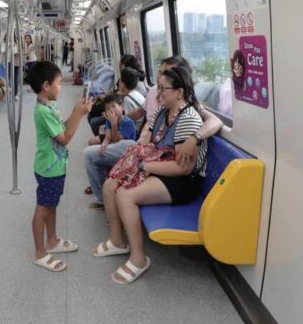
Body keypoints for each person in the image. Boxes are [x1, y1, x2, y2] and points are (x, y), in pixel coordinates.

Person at [92, 66, 208, 285]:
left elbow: (184, 168)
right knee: (109, 185)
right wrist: (141, 157)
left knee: (125, 195)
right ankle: (117, 241)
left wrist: (144, 165)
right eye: (158, 87)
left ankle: (138, 259)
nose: (158, 92)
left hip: (181, 181)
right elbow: (148, 139)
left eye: (163, 88)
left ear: (179, 93)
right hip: (157, 166)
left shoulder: (188, 119)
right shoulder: (163, 112)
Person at [83, 56, 222, 198]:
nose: (161, 77)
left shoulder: (186, 104)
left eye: (167, 73)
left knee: (93, 155)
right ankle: (105, 187)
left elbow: (215, 121)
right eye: (160, 72)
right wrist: (118, 121)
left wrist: (194, 138)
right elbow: (139, 112)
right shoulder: (154, 91)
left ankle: (105, 191)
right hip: (143, 145)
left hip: (154, 151)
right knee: (111, 175)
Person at [28, 61, 92, 272]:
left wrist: (75, 110)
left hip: (55, 167)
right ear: (46, 86)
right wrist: (80, 114)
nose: (61, 86)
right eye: (58, 83)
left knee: (51, 204)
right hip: (48, 168)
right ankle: (39, 252)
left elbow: (61, 127)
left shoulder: (50, 106)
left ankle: (52, 239)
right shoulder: (43, 112)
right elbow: (64, 138)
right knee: (43, 208)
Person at [84, 93, 136, 208]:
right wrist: (104, 144)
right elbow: (108, 137)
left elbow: (118, 142)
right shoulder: (109, 121)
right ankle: (101, 196)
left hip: (127, 154)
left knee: (91, 154)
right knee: (95, 152)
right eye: (108, 108)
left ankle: (102, 197)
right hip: (114, 148)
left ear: (121, 107)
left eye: (114, 106)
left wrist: (113, 124)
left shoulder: (128, 123)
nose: (111, 110)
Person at [118, 67, 146, 134]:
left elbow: (128, 122)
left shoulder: (128, 99)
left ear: (122, 84)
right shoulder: (136, 93)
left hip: (135, 132)